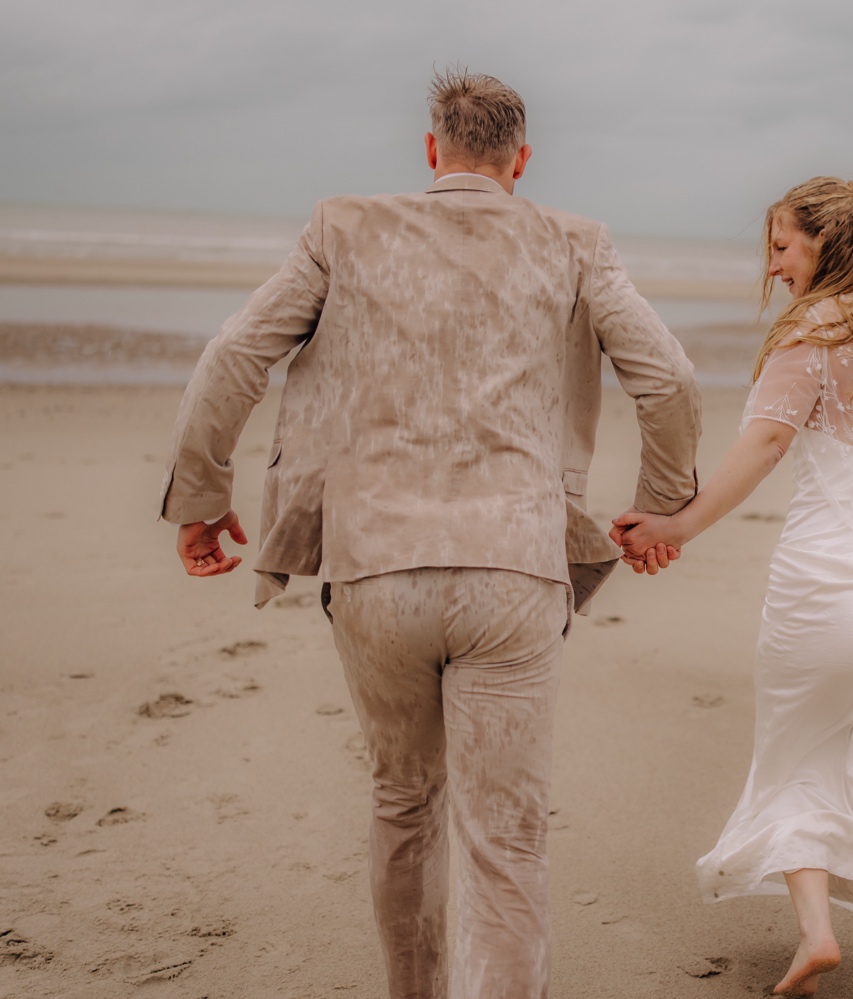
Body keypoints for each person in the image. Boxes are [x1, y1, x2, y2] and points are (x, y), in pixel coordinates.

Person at [160, 69, 700, 999]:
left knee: (403, 802)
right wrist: (661, 505)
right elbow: (671, 381)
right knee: (507, 837)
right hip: (512, 569)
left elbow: (234, 357)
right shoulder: (577, 243)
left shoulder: (342, 227)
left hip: (376, 569)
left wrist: (202, 496)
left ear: (430, 151)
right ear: (520, 162)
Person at [613, 176, 853, 998]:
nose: (774, 265)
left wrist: (676, 526)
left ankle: (816, 930)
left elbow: (766, 443)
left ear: (822, 244)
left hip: (826, 589)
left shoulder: (806, 334)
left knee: (793, 750)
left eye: (781, 246)